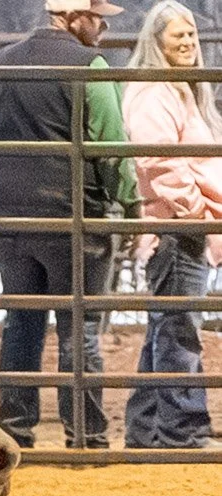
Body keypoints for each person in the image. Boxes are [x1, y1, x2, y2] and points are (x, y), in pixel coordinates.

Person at [0, 0, 140, 449]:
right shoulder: (90, 65)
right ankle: (85, 434)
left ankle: (14, 430)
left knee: (21, 322)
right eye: (97, 16)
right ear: (72, 17)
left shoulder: (3, 62)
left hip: (11, 213)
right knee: (79, 329)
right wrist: (130, 206)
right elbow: (110, 144)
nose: (104, 25)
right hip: (70, 214)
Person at [122, 1, 222, 448]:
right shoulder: (154, 91)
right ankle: (183, 429)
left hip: (183, 224)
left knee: (167, 326)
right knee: (179, 328)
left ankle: (145, 428)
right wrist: (195, 212)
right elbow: (157, 159)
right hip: (178, 226)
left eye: (191, 36)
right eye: (177, 36)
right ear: (157, 41)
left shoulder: (178, 89)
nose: (187, 44)